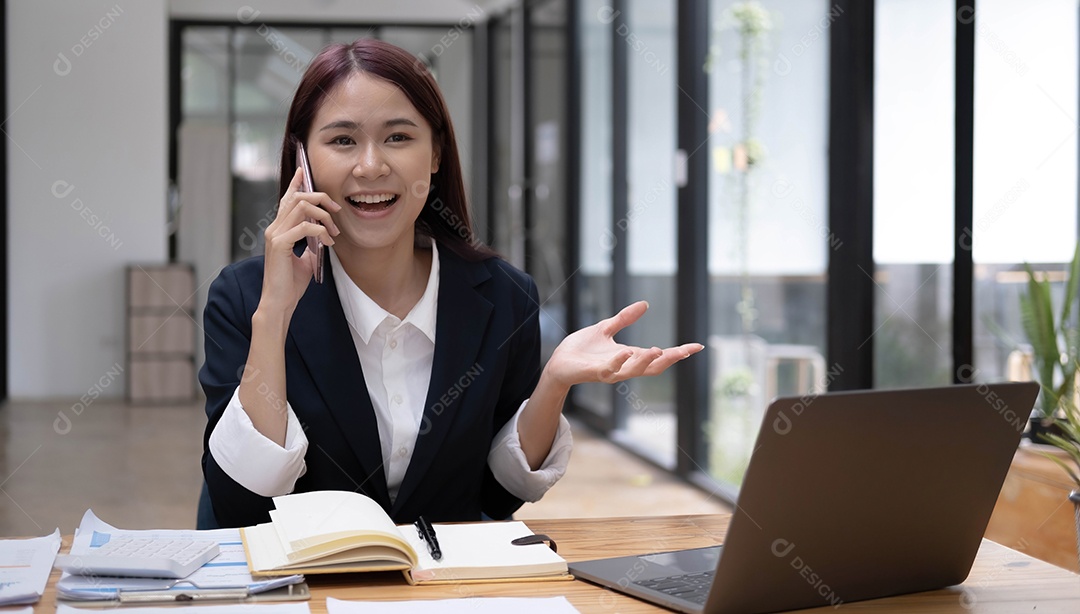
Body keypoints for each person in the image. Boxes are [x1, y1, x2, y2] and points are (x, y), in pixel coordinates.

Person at [200, 38, 702, 529]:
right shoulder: (244, 298)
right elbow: (242, 505)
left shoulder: (504, 296)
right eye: (342, 140)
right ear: (303, 163)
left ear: (436, 154)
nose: (371, 166)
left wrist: (553, 383)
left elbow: (497, 496)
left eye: (398, 137)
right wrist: (273, 317)